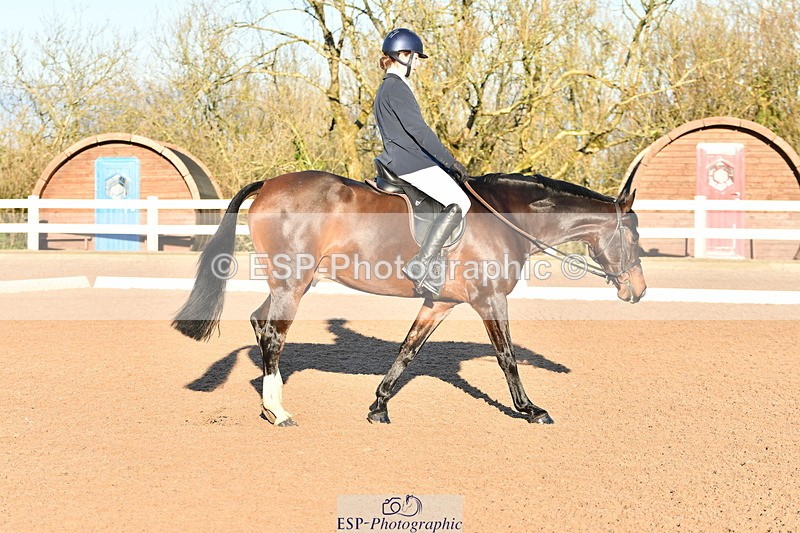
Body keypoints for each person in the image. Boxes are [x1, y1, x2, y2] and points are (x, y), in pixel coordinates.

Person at [373, 28, 471, 297]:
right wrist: (450, 161)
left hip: (400, 159)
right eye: (415, 58)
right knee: (461, 201)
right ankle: (421, 263)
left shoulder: (386, 88)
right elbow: (419, 132)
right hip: (411, 163)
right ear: (402, 56)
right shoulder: (397, 88)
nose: (416, 65)